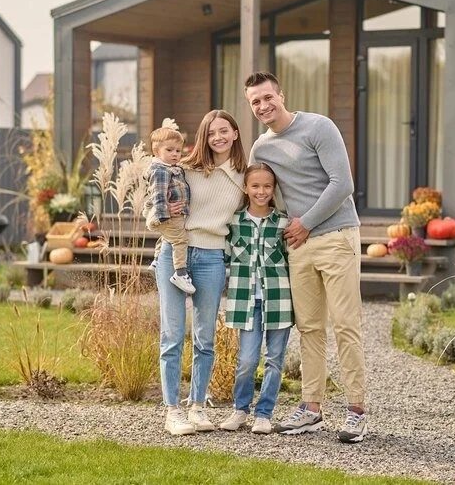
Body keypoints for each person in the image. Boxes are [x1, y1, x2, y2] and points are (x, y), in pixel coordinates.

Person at [245, 71, 368, 443]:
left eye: (268, 97)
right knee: (310, 328)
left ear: (281, 95)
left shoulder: (318, 127)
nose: (263, 106)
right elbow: (258, 193)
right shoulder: (260, 149)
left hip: (335, 236)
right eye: (255, 102)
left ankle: (357, 412)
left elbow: (342, 184)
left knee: (346, 324)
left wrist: (307, 223)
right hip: (297, 245)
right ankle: (311, 409)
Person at [156, 110, 246, 435]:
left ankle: (197, 406)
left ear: (235, 133)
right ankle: (172, 411)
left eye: (224, 131)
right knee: (172, 335)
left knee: (205, 337)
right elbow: (151, 204)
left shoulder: (243, 177)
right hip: (174, 254)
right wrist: (163, 213)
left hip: (211, 257)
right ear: (204, 138)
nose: (218, 138)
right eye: (211, 133)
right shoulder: (185, 168)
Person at [219, 163, 293, 435]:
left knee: (275, 359)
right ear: (245, 188)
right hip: (245, 300)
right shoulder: (234, 222)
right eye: (255, 186)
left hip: (279, 301)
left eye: (267, 186)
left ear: (274, 190)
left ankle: (264, 414)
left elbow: (291, 260)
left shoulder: (283, 222)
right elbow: (224, 256)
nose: (261, 191)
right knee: (247, 360)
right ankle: (240, 410)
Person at [142, 124, 195, 294]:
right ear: (156, 151)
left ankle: (157, 259)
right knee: (180, 240)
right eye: (170, 150)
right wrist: (164, 214)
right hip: (167, 216)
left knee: (167, 237)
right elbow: (158, 194)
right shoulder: (160, 171)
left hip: (168, 215)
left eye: (178, 151)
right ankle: (180, 273)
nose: (175, 154)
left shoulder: (170, 168)